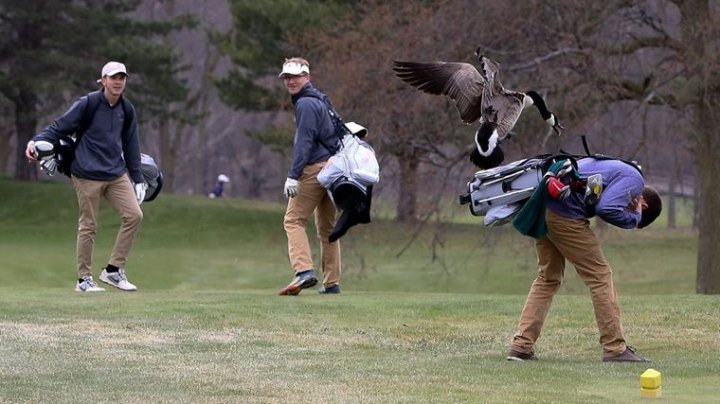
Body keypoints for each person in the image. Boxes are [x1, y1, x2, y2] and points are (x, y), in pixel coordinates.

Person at [507, 157, 662, 362]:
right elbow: (606, 208)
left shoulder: (614, 165)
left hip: (543, 207)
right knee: (600, 276)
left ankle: (521, 346)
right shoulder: (635, 180)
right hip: (565, 214)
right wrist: (635, 217)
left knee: (548, 278)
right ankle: (614, 348)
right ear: (643, 202)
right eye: (635, 208)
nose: (628, 209)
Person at [25, 61, 146, 293]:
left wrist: (137, 177)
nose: (118, 82)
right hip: (86, 173)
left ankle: (113, 270)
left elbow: (131, 144)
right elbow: (59, 127)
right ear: (103, 80)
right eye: (113, 77)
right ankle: (84, 280)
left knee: (134, 215)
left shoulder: (127, 109)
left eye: (122, 78)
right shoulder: (88, 103)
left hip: (115, 173)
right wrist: (34, 141)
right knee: (89, 226)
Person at [277, 57, 341, 295]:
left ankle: (304, 271)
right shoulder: (321, 99)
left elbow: (304, 143)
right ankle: (332, 283)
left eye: (295, 77)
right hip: (332, 168)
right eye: (287, 77)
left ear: (307, 77)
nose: (290, 81)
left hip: (314, 169)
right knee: (328, 230)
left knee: (293, 220)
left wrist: (293, 175)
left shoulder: (305, 104)